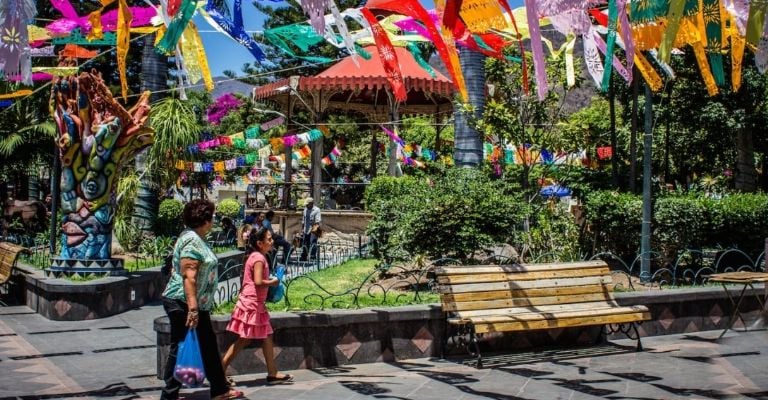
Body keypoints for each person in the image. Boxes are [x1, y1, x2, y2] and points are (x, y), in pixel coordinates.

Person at [160, 199, 243, 400]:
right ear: (204, 220)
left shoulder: (196, 237)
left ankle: (219, 389)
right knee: (181, 345)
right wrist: (193, 309)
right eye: (211, 216)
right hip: (184, 302)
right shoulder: (192, 240)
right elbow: (190, 277)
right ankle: (169, 395)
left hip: (194, 303)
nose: (213, 220)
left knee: (207, 344)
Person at [221, 227, 294, 385]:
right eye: (269, 239)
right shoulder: (259, 259)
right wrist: (274, 282)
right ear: (260, 243)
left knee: (267, 335)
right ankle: (220, 371)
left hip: (255, 303)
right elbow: (258, 281)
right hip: (251, 304)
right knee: (244, 339)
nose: (272, 241)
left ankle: (272, 372)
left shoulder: (257, 256)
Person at [300, 197, 321, 261]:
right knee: (305, 243)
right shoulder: (305, 209)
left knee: (313, 242)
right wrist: (302, 229)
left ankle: (312, 257)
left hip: (314, 228)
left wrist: (314, 231)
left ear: (311, 203)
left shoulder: (317, 210)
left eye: (307, 204)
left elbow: (317, 221)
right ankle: (304, 256)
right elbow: (303, 220)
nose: (306, 205)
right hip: (306, 229)